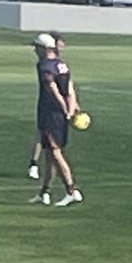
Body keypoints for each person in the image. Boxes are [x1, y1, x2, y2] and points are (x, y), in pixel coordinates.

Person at [29, 33, 83, 208]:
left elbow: (53, 89)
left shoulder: (44, 66)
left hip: (51, 114)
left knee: (55, 153)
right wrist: (73, 106)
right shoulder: (62, 65)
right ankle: (45, 192)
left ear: (44, 49)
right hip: (59, 114)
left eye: (37, 47)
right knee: (50, 155)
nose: (34, 50)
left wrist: (65, 108)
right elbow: (69, 88)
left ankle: (72, 190)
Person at [28, 29, 66, 180]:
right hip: (49, 107)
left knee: (53, 148)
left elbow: (59, 87)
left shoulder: (51, 64)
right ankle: (36, 167)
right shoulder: (47, 64)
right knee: (44, 138)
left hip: (52, 109)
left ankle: (69, 188)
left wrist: (67, 107)